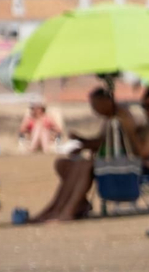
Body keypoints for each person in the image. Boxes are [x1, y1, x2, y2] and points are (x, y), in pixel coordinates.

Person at [32, 86, 126, 222]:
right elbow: (102, 142)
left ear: (105, 102)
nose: (95, 110)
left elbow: (114, 145)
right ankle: (57, 207)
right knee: (63, 164)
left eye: (96, 105)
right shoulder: (109, 119)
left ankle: (67, 210)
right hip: (105, 158)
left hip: (119, 163)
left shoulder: (118, 119)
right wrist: (82, 142)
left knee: (84, 165)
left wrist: (83, 144)